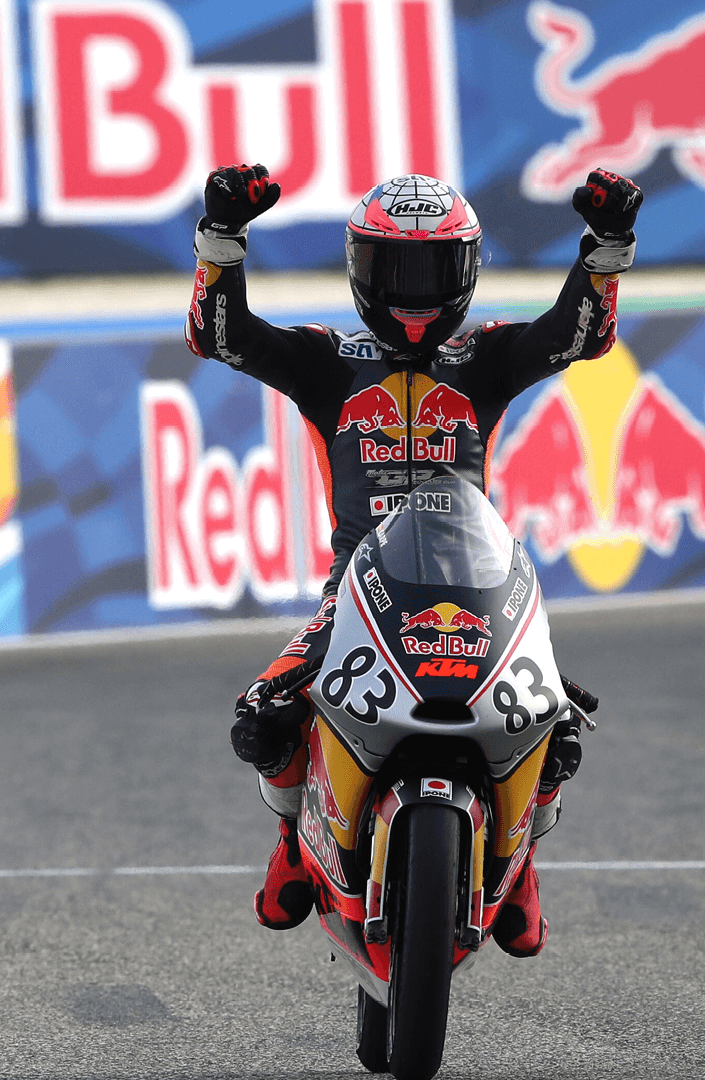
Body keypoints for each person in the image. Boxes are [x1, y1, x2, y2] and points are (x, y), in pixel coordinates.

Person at [186, 163, 640, 957]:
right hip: (357, 589)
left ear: (467, 272)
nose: (413, 291)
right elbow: (221, 337)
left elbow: (577, 336)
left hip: (480, 584)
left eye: (432, 271)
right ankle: (293, 844)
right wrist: (222, 240)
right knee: (264, 717)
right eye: (394, 269)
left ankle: (520, 866)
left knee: (556, 727)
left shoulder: (487, 357)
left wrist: (605, 247)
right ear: (359, 269)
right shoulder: (327, 359)